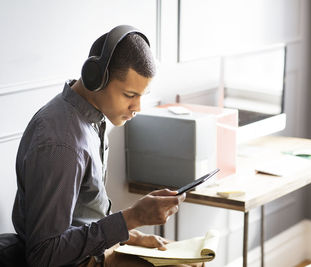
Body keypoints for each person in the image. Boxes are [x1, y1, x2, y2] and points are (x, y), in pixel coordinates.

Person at [12, 25, 203, 267]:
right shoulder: (61, 145)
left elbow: (83, 218)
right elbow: (44, 255)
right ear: (96, 79)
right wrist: (132, 218)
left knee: (195, 262)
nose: (138, 107)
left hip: (96, 253)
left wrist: (130, 236)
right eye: (129, 95)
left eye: (142, 95)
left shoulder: (91, 120)